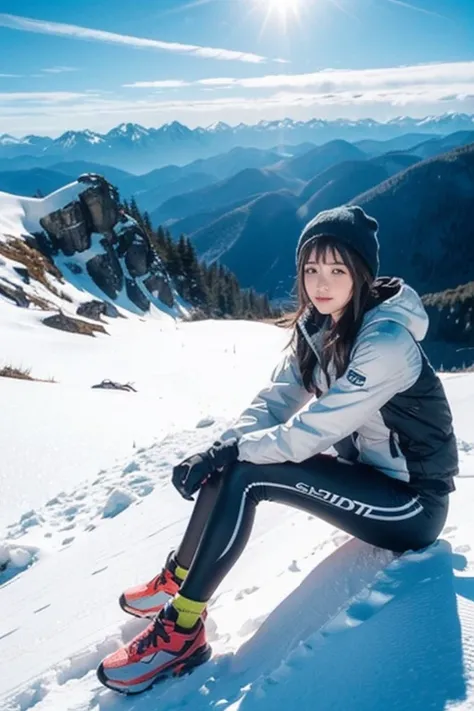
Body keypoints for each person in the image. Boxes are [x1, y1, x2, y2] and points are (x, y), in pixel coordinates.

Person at [97, 205, 459, 694]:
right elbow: (277, 401)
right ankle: (180, 576)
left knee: (248, 471)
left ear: (362, 273)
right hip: (374, 479)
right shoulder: (320, 326)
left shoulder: (387, 341)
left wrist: (232, 455)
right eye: (311, 269)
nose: (321, 283)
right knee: (237, 460)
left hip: (413, 505)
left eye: (337, 269)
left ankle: (181, 631)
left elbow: (311, 431)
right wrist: (222, 448)